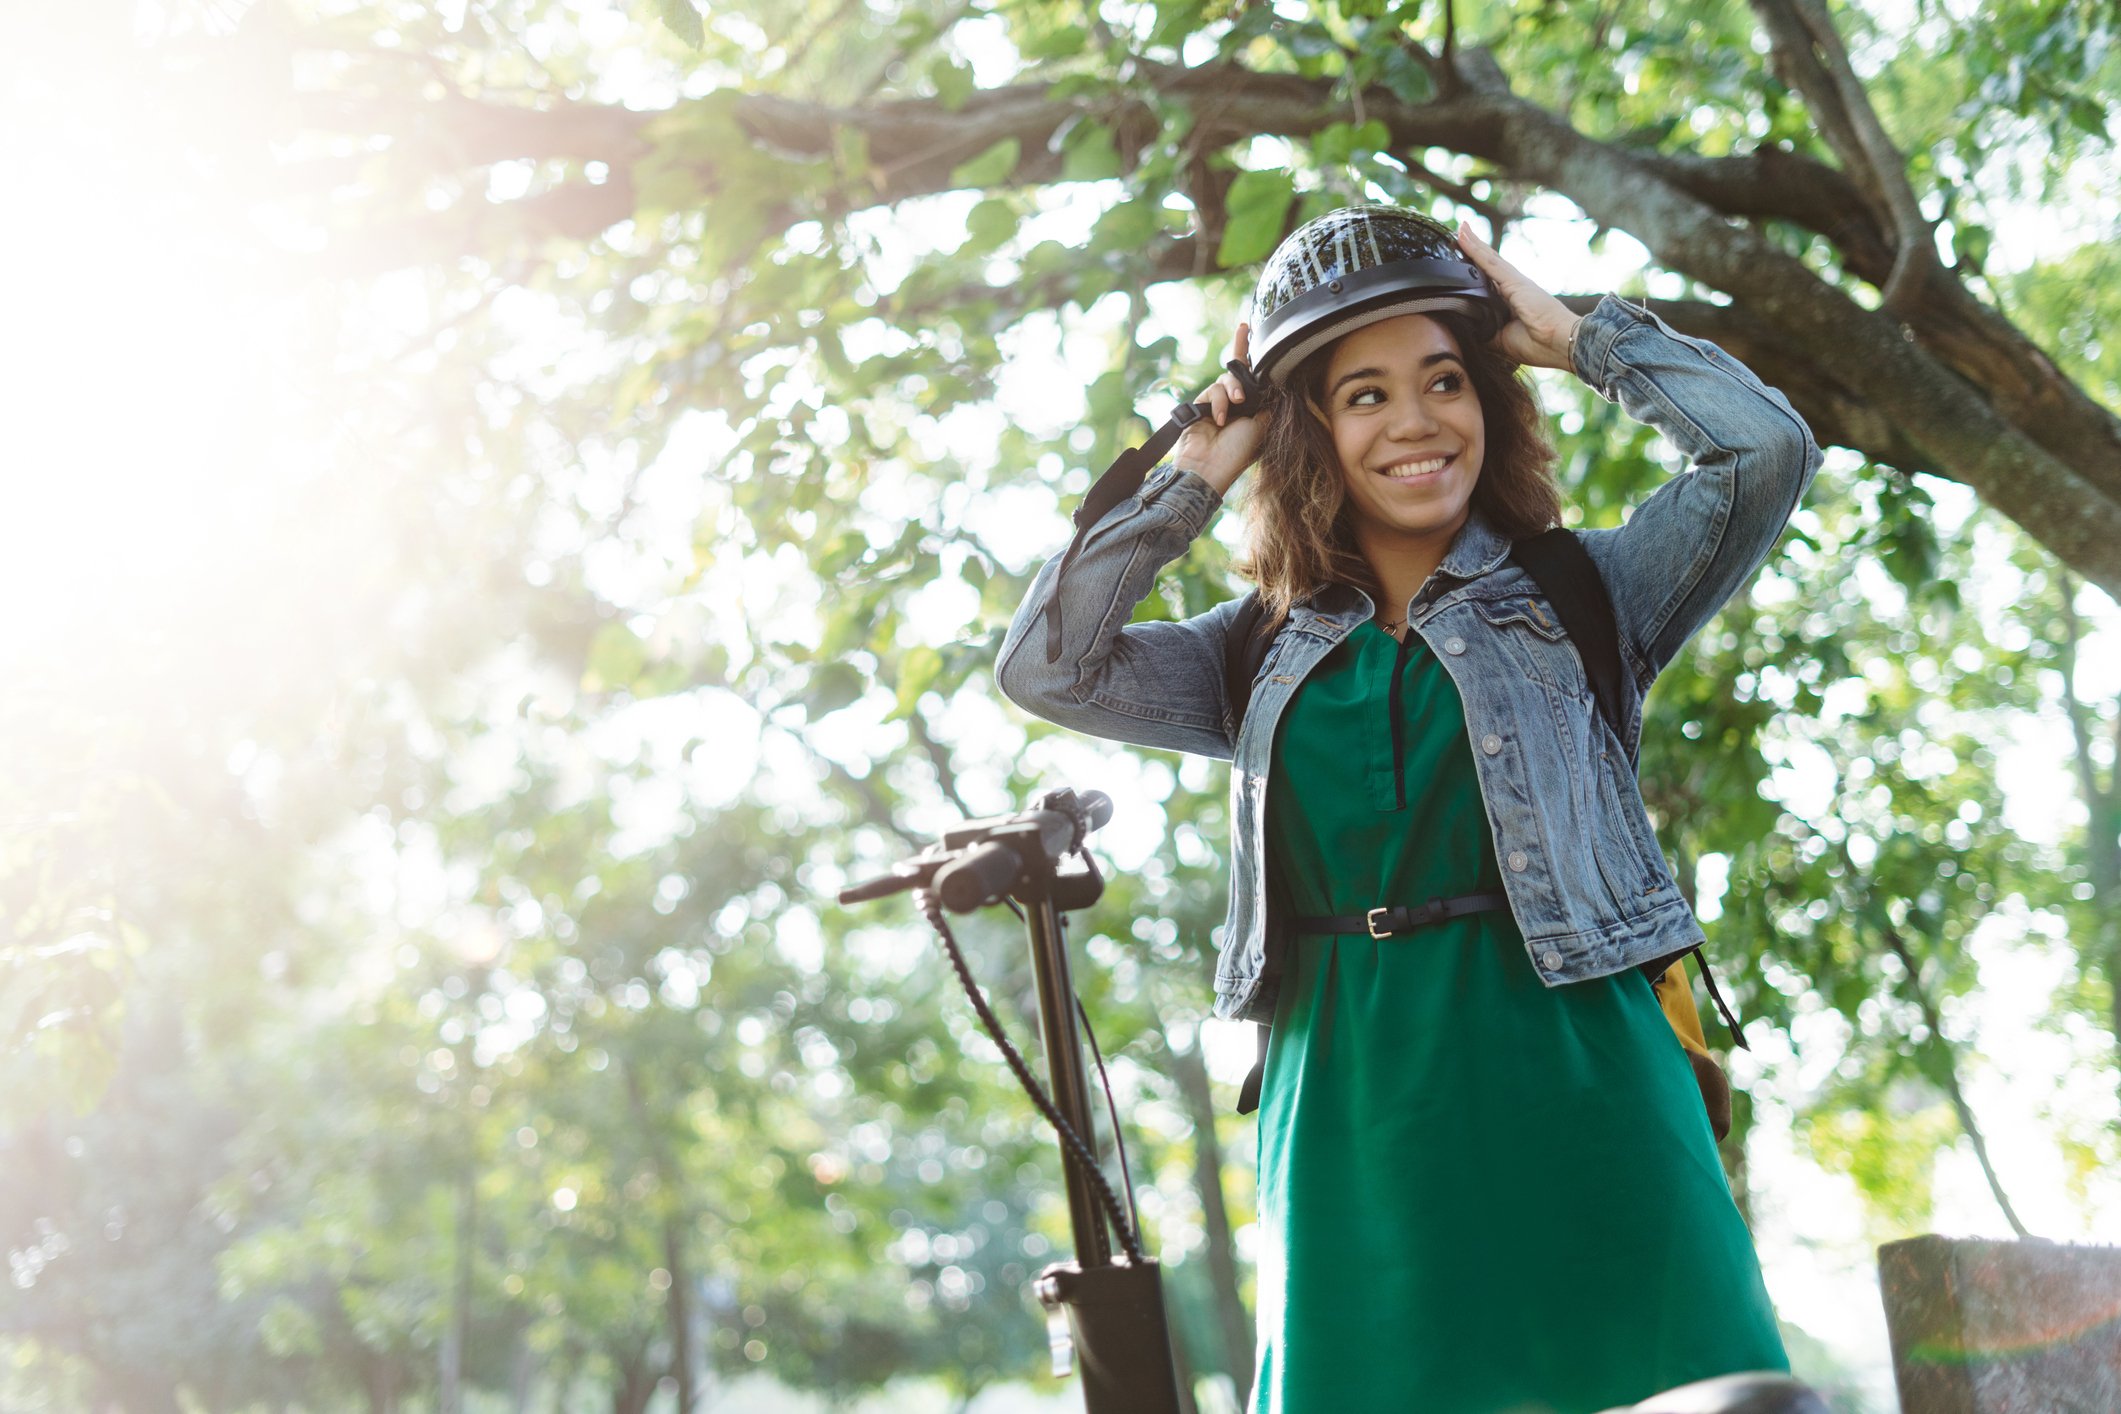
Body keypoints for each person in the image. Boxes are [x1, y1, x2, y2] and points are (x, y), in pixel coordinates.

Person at [994, 205, 1820, 1413]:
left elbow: (1763, 450)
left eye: (1446, 379)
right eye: (1364, 394)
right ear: (1311, 430)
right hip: (1351, 1103)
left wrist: (1572, 334)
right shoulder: (1252, 652)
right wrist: (1198, 465)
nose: (1418, 420)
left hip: (1585, 1074)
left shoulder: (1587, 590)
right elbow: (1047, 665)